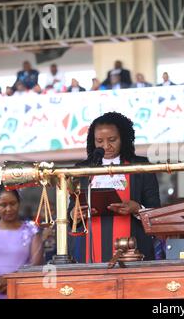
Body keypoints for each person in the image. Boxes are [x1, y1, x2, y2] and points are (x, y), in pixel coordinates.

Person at [68, 112, 161, 263]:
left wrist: (138, 208)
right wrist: (75, 214)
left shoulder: (140, 166)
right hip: (89, 247)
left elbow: (156, 210)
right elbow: (70, 211)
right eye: (99, 141)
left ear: (123, 138)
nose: (106, 146)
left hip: (134, 246)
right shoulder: (81, 169)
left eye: (112, 140)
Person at [0, 185, 42, 299]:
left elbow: (37, 264)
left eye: (13, 203)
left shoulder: (31, 230)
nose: (9, 209)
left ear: (19, 203)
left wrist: (10, 280)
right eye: (3, 205)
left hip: (22, 290)